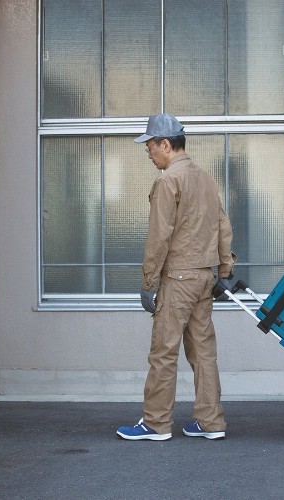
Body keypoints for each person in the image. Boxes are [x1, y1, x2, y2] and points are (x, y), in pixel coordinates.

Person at [117, 114, 236, 441]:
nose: (148, 153)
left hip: (178, 280)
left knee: (163, 353)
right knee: (204, 353)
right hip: (204, 278)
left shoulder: (168, 181)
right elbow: (223, 225)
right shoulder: (205, 178)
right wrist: (225, 271)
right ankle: (211, 422)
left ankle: (155, 424)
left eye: (150, 146)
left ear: (166, 144)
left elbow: (159, 238)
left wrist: (148, 283)